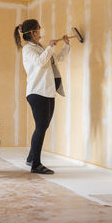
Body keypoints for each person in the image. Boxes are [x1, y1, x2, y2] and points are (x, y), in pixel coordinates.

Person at [14, 19, 70, 174]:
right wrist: (50, 47)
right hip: (37, 92)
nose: (41, 30)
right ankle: (36, 165)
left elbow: (56, 60)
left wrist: (65, 45)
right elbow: (40, 62)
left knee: (43, 127)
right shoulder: (28, 49)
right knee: (40, 127)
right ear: (33, 32)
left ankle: (31, 158)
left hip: (48, 91)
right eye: (39, 28)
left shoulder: (41, 47)